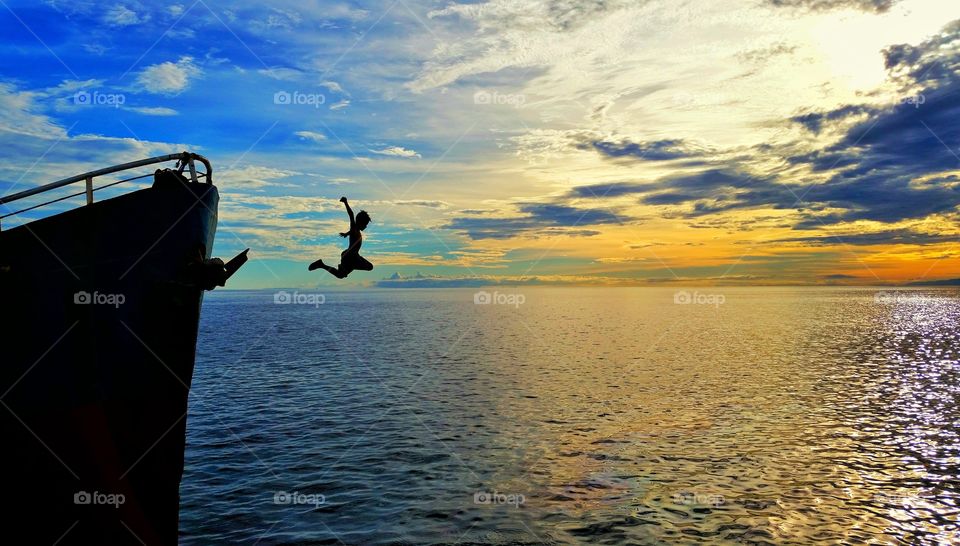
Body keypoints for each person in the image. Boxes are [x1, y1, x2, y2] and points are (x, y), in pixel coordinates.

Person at [308, 197, 372, 278]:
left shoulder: (356, 231)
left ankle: (322, 265)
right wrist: (345, 202)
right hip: (350, 257)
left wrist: (346, 234)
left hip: (353, 257)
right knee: (367, 267)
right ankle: (322, 265)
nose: (366, 227)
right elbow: (351, 214)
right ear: (360, 222)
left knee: (342, 274)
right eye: (365, 224)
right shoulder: (354, 229)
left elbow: (352, 233)